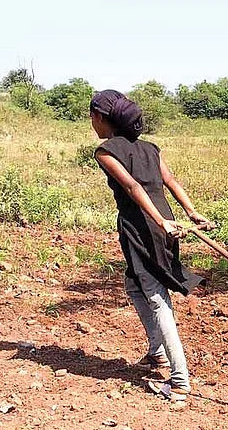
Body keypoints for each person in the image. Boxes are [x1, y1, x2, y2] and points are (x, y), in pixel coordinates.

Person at [89, 89, 215, 403]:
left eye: (93, 116)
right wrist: (190, 212)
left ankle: (180, 381)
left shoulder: (106, 152)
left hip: (144, 227)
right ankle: (157, 352)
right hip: (162, 223)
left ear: (102, 118)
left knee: (157, 298)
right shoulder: (150, 149)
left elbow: (131, 186)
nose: (92, 122)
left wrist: (160, 221)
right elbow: (171, 182)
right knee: (134, 284)